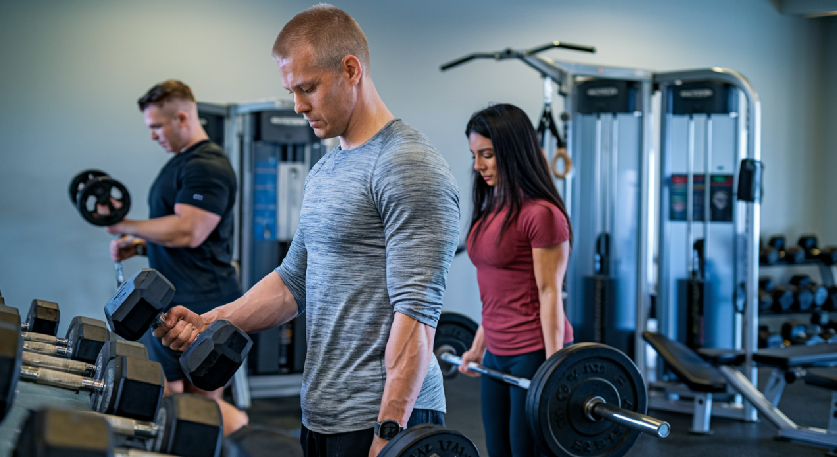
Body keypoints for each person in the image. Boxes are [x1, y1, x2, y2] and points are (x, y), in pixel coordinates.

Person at [152, 5, 460, 457]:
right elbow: (294, 280)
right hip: (324, 414)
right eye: (291, 91)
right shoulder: (327, 167)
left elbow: (416, 316)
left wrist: (388, 432)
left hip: (386, 419)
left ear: (351, 70)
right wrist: (210, 321)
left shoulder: (407, 165)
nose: (298, 105)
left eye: (308, 88)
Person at [106, 79, 248, 436]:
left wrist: (125, 224)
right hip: (174, 300)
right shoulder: (182, 163)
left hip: (205, 299)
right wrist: (140, 245)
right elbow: (192, 238)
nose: (153, 135)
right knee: (172, 397)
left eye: (156, 126)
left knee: (200, 407)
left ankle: (249, 442)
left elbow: (190, 231)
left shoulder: (207, 166)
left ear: (182, 117)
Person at [457, 103, 573, 457]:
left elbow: (550, 292)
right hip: (497, 351)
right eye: (475, 155)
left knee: (526, 450)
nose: (478, 166)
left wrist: (555, 367)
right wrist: (479, 348)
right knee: (498, 449)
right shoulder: (491, 208)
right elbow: (497, 294)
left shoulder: (542, 215)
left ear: (512, 151)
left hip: (533, 351)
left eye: (488, 155)